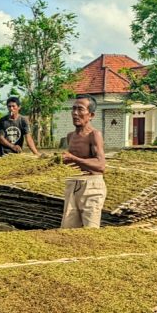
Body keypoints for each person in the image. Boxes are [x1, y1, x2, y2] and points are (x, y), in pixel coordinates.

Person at [60, 94, 107, 228]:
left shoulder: (94, 135)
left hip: (92, 186)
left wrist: (74, 159)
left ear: (91, 115)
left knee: (90, 231)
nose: (75, 113)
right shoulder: (70, 136)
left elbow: (101, 165)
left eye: (80, 109)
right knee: (68, 230)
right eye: (73, 109)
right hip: (73, 184)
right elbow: (70, 162)